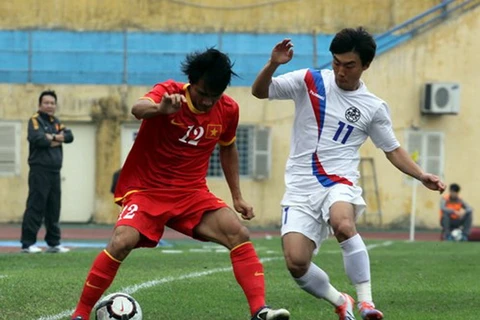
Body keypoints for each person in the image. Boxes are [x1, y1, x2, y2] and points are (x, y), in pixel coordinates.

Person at [71, 48, 290, 320]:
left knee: (238, 233)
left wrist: (238, 197)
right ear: (191, 82)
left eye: (215, 96)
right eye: (202, 94)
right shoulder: (169, 92)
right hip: (147, 190)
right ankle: (79, 314)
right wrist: (160, 109)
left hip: (191, 194)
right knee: (121, 241)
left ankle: (260, 310)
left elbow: (228, 148)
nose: (208, 102)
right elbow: (137, 108)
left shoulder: (228, 110)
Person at [251, 28, 446, 320]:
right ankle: (341, 301)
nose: (341, 71)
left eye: (349, 65)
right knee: (296, 262)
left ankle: (367, 302)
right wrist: (274, 64)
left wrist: (421, 175)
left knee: (343, 223)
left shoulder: (373, 107)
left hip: (338, 182)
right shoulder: (309, 80)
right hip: (300, 187)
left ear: (365, 65)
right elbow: (259, 92)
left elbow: (391, 149)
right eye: (336, 63)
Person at [20, 90, 74, 253]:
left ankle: (53, 242)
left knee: (53, 207)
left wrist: (52, 137)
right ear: (40, 105)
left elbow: (70, 136)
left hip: (54, 171)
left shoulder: (56, 122)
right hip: (39, 170)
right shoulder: (34, 120)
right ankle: (28, 243)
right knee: (36, 206)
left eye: (52, 103)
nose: (49, 106)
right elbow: (38, 139)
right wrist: (56, 138)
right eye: (46, 103)